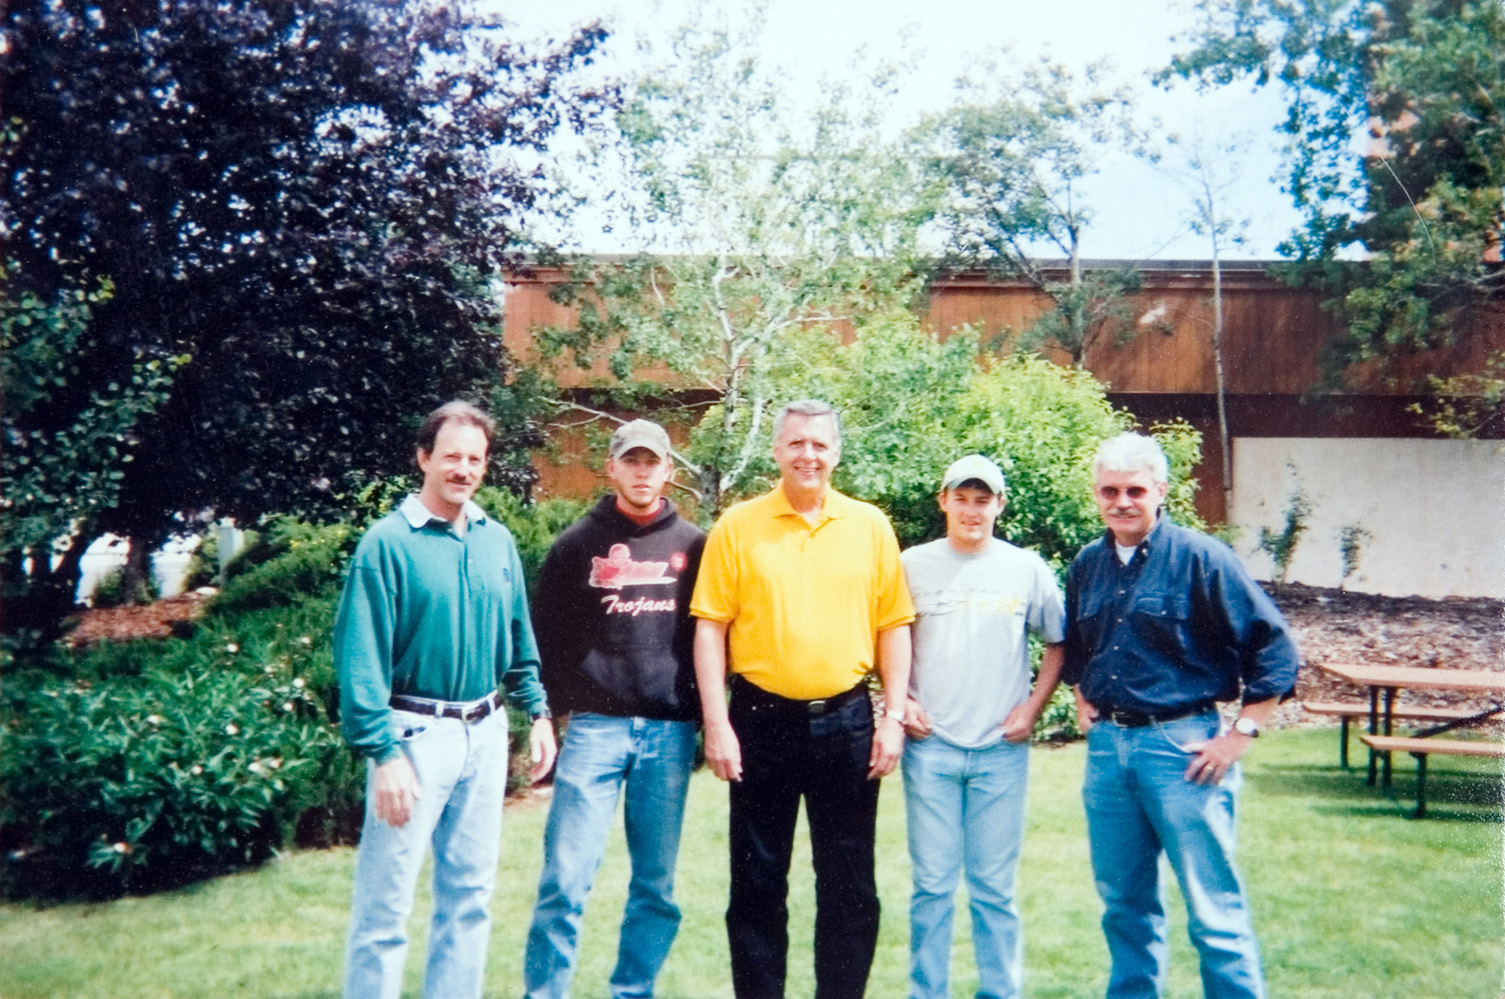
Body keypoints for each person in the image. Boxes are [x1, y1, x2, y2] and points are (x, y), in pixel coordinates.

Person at [690, 398, 915, 999]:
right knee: (757, 884)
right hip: (759, 723)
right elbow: (710, 628)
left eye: (819, 444)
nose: (807, 455)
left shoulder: (870, 527)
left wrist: (892, 719)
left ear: (836, 452)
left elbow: (894, 626)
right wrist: (718, 724)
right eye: (796, 443)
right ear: (777, 450)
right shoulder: (738, 526)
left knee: (848, 885)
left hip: (846, 724)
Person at [1063, 432, 1299, 999]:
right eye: (1109, 490)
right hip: (1108, 753)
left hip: (1183, 750)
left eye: (1135, 490)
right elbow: (1079, 647)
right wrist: (1082, 697)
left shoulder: (1202, 558)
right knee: (1124, 904)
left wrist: (1240, 733)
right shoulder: (1089, 564)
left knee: (1212, 905)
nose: (1122, 501)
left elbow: (1276, 649)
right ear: (1096, 494)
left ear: (1160, 490)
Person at [335, 400, 557, 999]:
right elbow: (362, 659)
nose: (464, 469)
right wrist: (383, 754)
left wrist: (536, 711)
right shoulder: (386, 545)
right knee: (385, 909)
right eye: (452, 457)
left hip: (484, 734)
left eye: (475, 459)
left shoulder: (496, 541)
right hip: (411, 739)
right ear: (424, 458)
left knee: (469, 900)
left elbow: (518, 637)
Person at [523, 419, 706, 999]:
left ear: (669, 471)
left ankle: (634, 989)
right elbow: (544, 638)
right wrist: (544, 718)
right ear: (612, 468)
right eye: (632, 460)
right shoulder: (576, 545)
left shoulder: (696, 546)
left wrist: (705, 716)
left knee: (655, 886)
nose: (642, 471)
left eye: (653, 462)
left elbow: (711, 636)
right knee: (565, 880)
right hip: (595, 731)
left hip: (668, 733)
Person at [899, 454, 1066, 999]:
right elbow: (882, 638)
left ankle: (1001, 991)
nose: (972, 510)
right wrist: (899, 697)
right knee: (932, 887)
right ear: (943, 500)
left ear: (1000, 505)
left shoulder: (1026, 568)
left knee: (994, 889)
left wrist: (1033, 707)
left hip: (1000, 750)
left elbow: (1059, 641)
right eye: (961, 498)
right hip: (932, 749)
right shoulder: (909, 565)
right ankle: (929, 992)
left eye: (983, 499)